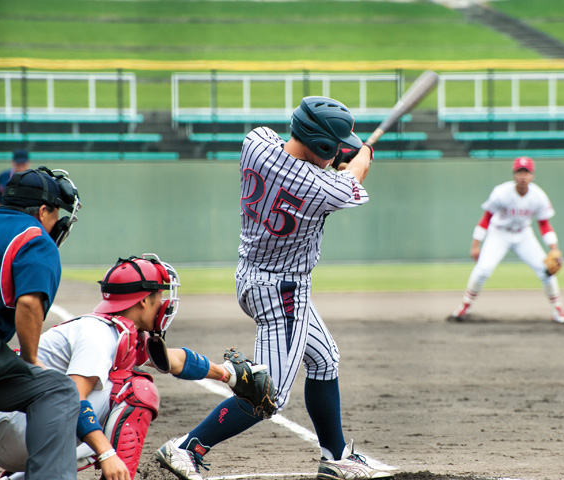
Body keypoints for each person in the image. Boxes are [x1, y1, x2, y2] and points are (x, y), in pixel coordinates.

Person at [155, 96, 394, 480]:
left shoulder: (255, 144)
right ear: (321, 146)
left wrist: (337, 157)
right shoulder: (325, 188)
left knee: (324, 358)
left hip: (251, 275)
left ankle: (335, 456)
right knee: (268, 396)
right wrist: (362, 152)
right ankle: (188, 448)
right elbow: (353, 177)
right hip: (284, 292)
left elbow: (311, 159)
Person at [0, 254, 258, 480]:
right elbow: (73, 398)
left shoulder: (115, 330)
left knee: (113, 395)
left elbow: (171, 359)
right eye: (159, 295)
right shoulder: (99, 335)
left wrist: (227, 374)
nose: (163, 303)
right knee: (136, 390)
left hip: (21, 427)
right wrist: (107, 453)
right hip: (16, 428)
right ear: (144, 301)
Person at [0, 166, 82, 480]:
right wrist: (31, 360)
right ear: (43, 210)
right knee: (56, 388)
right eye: (55, 213)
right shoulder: (35, 238)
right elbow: (30, 303)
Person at [449, 156, 564, 323]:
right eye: (519, 172)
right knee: (482, 270)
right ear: (514, 174)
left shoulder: (538, 196)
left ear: (532, 175)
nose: (523, 176)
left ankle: (557, 310)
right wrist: (475, 244)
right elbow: (486, 219)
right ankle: (465, 306)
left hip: (523, 235)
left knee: (547, 272)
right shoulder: (501, 192)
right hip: (499, 234)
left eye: (526, 172)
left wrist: (554, 248)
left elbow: (544, 224)